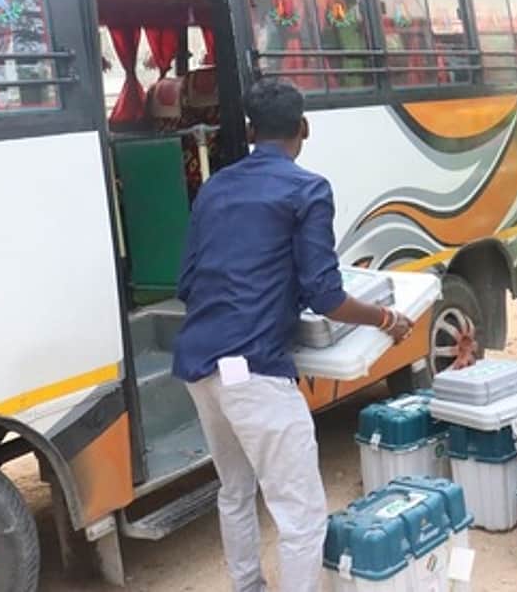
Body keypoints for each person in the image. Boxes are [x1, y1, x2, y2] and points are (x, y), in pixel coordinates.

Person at [172, 78, 413, 592]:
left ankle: (248, 586)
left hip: (199, 363)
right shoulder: (308, 189)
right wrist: (387, 319)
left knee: (234, 491)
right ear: (304, 128)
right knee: (301, 513)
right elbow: (325, 294)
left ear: (250, 130)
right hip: (253, 370)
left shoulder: (215, 186)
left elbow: (188, 282)